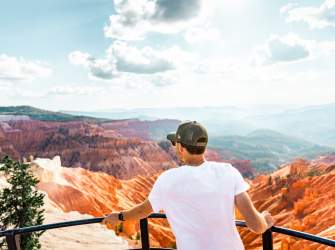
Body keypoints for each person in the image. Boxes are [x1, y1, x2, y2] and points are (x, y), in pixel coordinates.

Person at [102, 120, 275, 249]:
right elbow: (255, 225)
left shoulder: (168, 179)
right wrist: (265, 219)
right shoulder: (228, 171)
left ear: (180, 147)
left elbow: (142, 211)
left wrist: (119, 216)